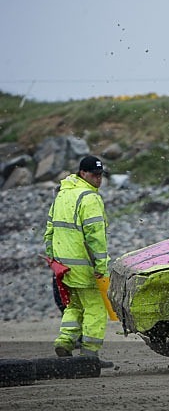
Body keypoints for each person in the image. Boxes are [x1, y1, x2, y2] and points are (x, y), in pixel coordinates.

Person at [44, 155, 112, 367]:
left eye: (101, 175)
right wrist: (101, 266)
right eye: (95, 175)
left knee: (73, 305)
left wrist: (53, 260)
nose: (99, 179)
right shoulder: (89, 198)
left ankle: (65, 341)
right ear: (83, 174)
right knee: (95, 308)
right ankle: (89, 354)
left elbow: (50, 230)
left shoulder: (63, 194)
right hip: (84, 267)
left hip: (64, 266)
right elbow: (96, 237)